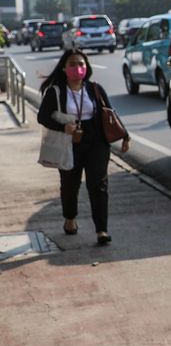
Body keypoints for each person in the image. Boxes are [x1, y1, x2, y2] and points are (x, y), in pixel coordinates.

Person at [36, 49, 129, 245]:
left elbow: (109, 113)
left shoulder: (94, 88)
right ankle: (70, 218)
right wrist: (63, 126)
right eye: (72, 64)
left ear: (87, 67)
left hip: (96, 141)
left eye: (81, 64)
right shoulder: (56, 92)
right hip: (68, 142)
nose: (78, 68)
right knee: (70, 184)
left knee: (98, 184)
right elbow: (43, 116)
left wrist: (125, 135)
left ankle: (101, 230)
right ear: (64, 68)